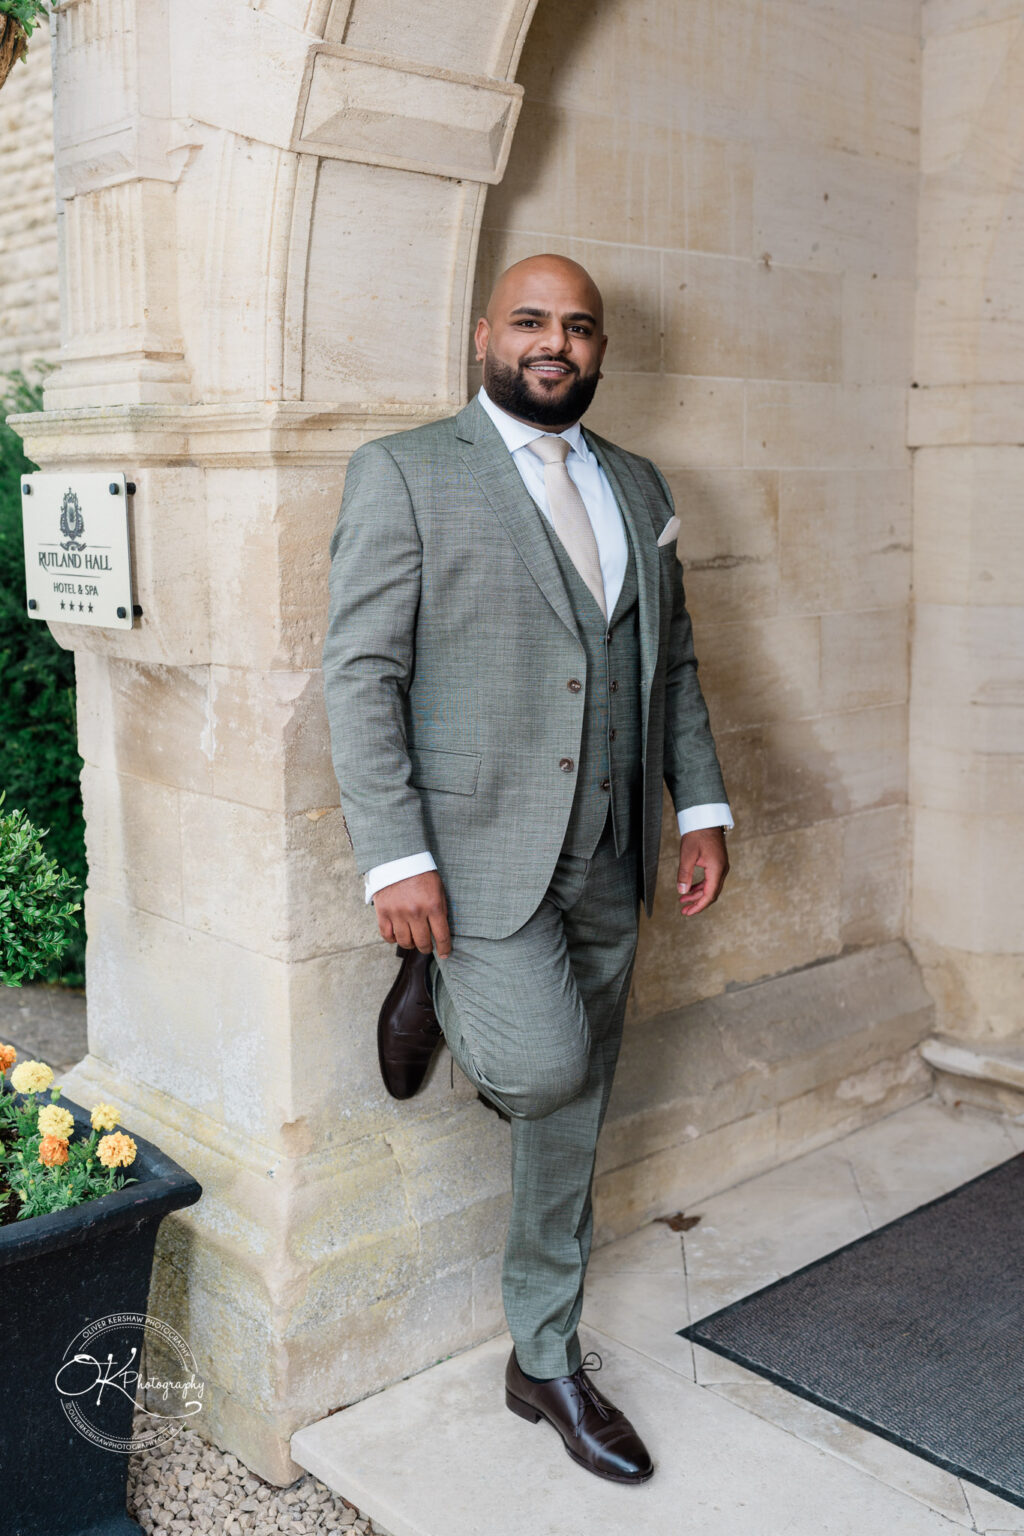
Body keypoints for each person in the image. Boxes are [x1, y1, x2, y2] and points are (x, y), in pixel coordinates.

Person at [321, 254, 731, 1485]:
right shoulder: (405, 471)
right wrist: (395, 859)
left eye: (580, 329)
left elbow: (678, 667)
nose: (555, 344)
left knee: (577, 1106)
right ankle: (434, 980)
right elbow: (360, 674)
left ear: (600, 352)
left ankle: (540, 1354)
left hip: (608, 851)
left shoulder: (641, 484)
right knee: (545, 1067)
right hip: (473, 854)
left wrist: (698, 805)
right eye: (532, 322)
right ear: (484, 333)